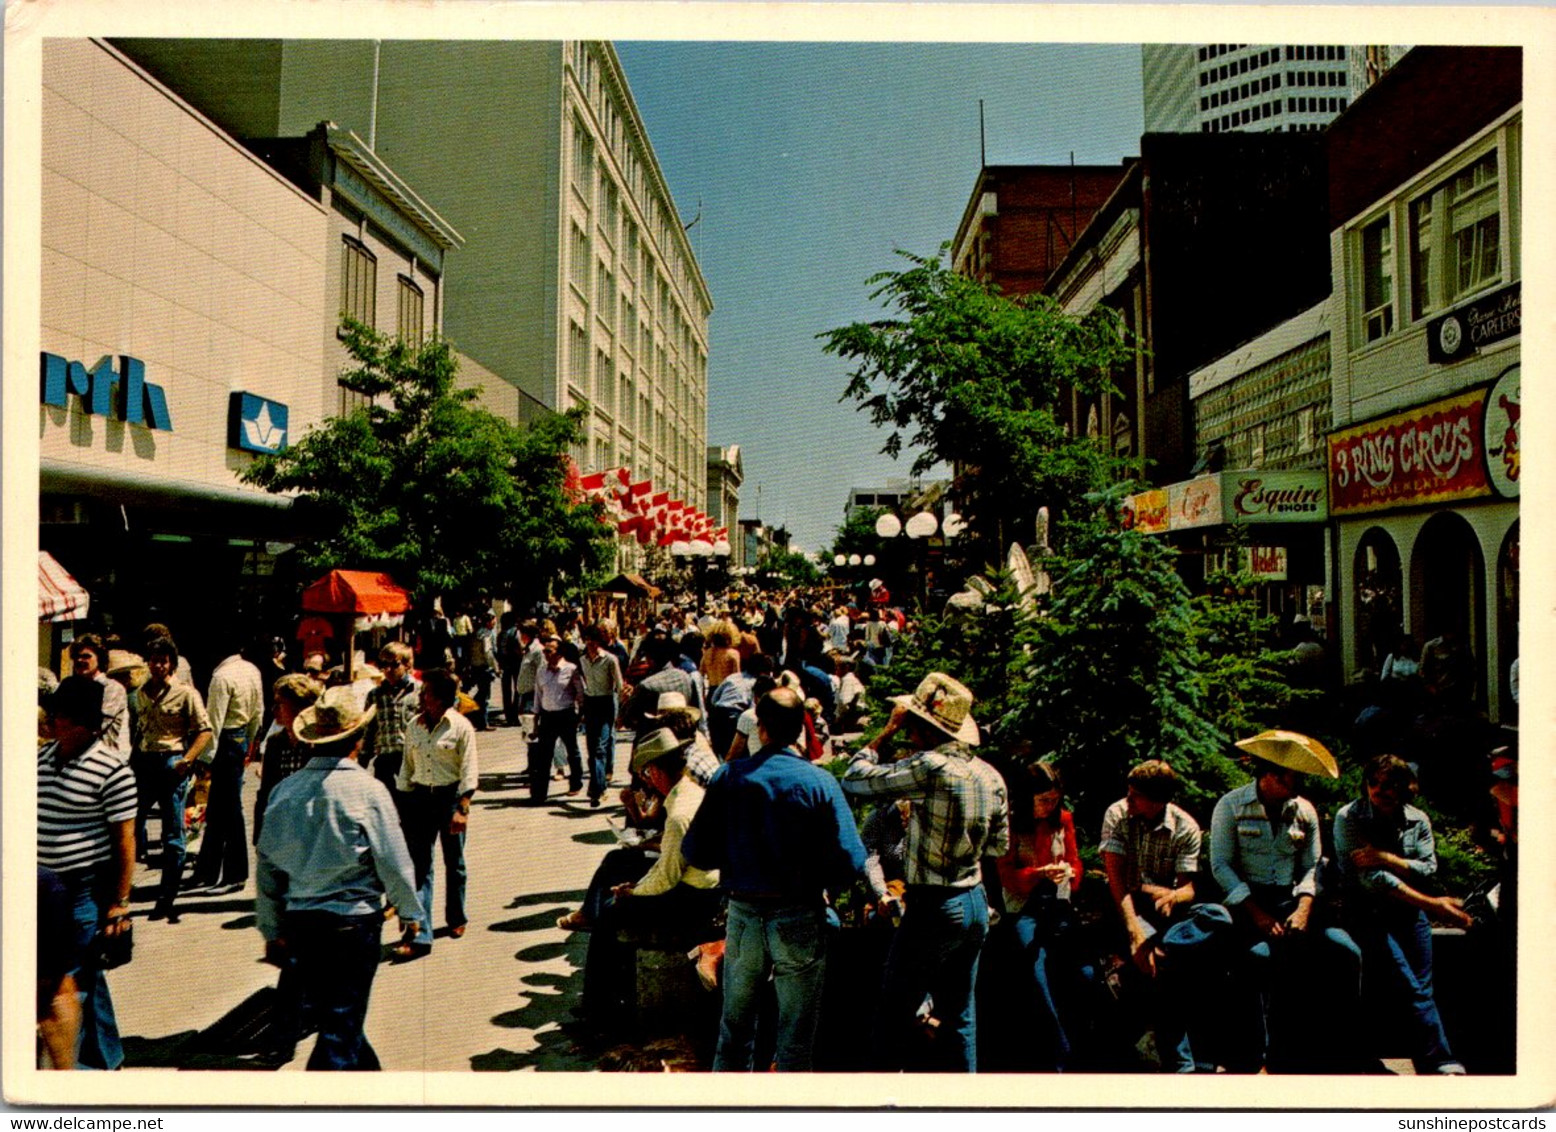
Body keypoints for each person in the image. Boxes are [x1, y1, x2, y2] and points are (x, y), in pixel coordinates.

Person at [681, 687, 868, 1072]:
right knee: (795, 1039)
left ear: (760, 728)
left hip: (745, 917)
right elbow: (852, 859)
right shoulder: (818, 782)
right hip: (799, 915)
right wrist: (822, 883)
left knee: (734, 1033)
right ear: (801, 728)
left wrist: (737, 859)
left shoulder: (729, 777)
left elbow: (695, 850)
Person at [843, 673, 1009, 1072]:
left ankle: (885, 1104)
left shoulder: (931, 767)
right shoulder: (990, 774)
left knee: (893, 1012)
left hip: (934, 905)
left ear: (921, 725)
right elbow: (998, 847)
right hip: (974, 901)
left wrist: (885, 732)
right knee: (960, 1016)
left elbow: (855, 778)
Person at [256, 686, 424, 1070]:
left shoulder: (284, 792)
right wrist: (411, 912)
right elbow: (393, 861)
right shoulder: (368, 791)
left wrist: (271, 928)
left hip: (302, 922)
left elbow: (267, 868)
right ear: (359, 739)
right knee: (340, 1029)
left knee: (340, 1019)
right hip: (353, 922)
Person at [1209, 739, 1364, 1073]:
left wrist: (1305, 906)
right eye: (1289, 778)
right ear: (1269, 776)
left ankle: (1347, 1049)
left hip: (1294, 901)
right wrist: (1256, 913)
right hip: (1249, 903)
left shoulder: (1304, 811)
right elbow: (1221, 865)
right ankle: (1258, 1057)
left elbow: (1312, 865)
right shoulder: (1231, 806)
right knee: (1258, 958)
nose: (1296, 786)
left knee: (1346, 951)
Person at [1334, 754, 1472, 1075]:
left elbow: (1428, 867)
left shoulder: (1417, 820)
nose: (1379, 791)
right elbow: (1370, 881)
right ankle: (1441, 1059)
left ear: (1405, 788)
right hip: (1367, 912)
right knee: (1405, 983)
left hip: (1409, 914)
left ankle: (1429, 1063)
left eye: (1389, 785)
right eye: (1374, 783)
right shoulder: (1350, 817)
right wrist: (1431, 903)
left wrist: (1384, 857)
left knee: (1422, 986)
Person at [575, 728, 722, 1028]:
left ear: (655, 771)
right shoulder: (690, 792)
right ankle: (608, 1000)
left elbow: (666, 878)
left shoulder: (680, 812)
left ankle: (598, 1009)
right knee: (617, 889)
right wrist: (637, 887)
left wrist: (633, 893)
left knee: (611, 915)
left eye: (646, 772)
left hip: (695, 898)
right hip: (700, 886)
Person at [1099, 759, 1231, 1073]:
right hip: (1126, 907)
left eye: (1135, 796)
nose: (1127, 801)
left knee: (1218, 916)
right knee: (1166, 976)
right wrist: (1136, 932)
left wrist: (1172, 895)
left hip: (1166, 915)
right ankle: (1183, 1063)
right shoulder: (1117, 815)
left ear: (1158, 801)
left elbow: (1187, 889)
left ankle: (1165, 949)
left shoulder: (1184, 827)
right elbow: (1118, 885)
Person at [38, 677, 138, 1070]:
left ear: (84, 725)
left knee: (67, 982)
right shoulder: (41, 760)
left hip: (82, 890)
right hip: (42, 888)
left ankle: (74, 1074)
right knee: (84, 977)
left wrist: (120, 903)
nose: (49, 722)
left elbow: (125, 841)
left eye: (58, 717)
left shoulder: (113, 770)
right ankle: (107, 1058)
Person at [994, 760, 1090, 1072]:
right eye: (1043, 800)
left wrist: (1069, 872)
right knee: (1035, 970)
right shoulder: (1009, 825)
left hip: (1058, 903)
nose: (1049, 807)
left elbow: (1076, 863)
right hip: (1023, 906)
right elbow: (1007, 876)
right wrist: (1039, 873)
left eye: (1054, 800)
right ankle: (1058, 1052)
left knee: (1084, 971)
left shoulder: (1063, 819)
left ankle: (1084, 1043)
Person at [389, 668, 477, 959]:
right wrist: (401, 803)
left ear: (439, 699)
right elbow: (406, 768)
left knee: (455, 863)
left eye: (425, 692)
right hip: (419, 799)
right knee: (420, 867)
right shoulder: (414, 725)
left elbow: (468, 770)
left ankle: (457, 917)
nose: (420, 696)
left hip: (449, 799)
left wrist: (462, 809)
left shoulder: (461, 727)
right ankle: (420, 935)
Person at [131, 637, 213, 923]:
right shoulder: (140, 693)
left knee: (173, 835)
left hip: (171, 761)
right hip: (144, 762)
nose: (157, 665)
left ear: (172, 664)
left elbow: (205, 730)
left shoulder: (186, 693)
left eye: (163, 660)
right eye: (153, 660)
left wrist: (187, 760)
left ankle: (166, 898)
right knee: (130, 825)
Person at [189, 637, 265, 894]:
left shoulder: (221, 678)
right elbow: (258, 711)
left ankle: (234, 874)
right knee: (219, 809)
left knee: (229, 809)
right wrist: (251, 743)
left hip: (223, 742)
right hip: (241, 738)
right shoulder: (251, 669)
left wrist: (205, 759)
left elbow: (213, 721)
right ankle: (207, 870)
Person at [252, 673, 325, 846]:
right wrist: (260, 837)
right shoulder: (275, 742)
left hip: (312, 828)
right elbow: (266, 791)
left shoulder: (319, 744)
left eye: (280, 704)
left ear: (299, 707)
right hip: (282, 827)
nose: (274, 710)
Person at [530, 633, 585, 802]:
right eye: (545, 651)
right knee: (544, 755)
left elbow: (581, 693)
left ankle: (576, 783)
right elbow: (538, 696)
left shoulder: (571, 669)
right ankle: (540, 793)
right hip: (547, 716)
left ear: (559, 653)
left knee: (572, 751)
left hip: (566, 714)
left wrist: (580, 715)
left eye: (549, 651)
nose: (546, 655)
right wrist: (535, 720)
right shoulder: (541, 671)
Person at [363, 642, 421, 793]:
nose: (388, 670)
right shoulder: (375, 695)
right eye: (384, 664)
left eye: (395, 665)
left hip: (411, 758)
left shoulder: (419, 691)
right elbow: (369, 730)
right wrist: (363, 759)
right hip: (385, 758)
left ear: (407, 665)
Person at [580, 623, 625, 807]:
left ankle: (597, 789)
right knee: (592, 748)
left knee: (600, 747)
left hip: (606, 702)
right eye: (588, 640)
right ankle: (597, 784)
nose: (591, 644)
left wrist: (622, 712)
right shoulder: (582, 660)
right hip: (590, 704)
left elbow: (620, 686)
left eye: (594, 640)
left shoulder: (610, 659)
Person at [70, 635, 130, 762]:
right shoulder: (71, 687)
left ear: (100, 658)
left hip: (104, 760)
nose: (80, 660)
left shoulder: (112, 688)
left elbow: (96, 726)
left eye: (86, 656)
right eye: (76, 657)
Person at [465, 609, 500, 730]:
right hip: (484, 668)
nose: (495, 622)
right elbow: (488, 652)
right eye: (494, 619)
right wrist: (495, 667)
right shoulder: (487, 634)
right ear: (489, 621)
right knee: (484, 696)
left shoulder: (476, 633)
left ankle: (476, 717)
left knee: (481, 694)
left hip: (475, 666)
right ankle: (483, 722)